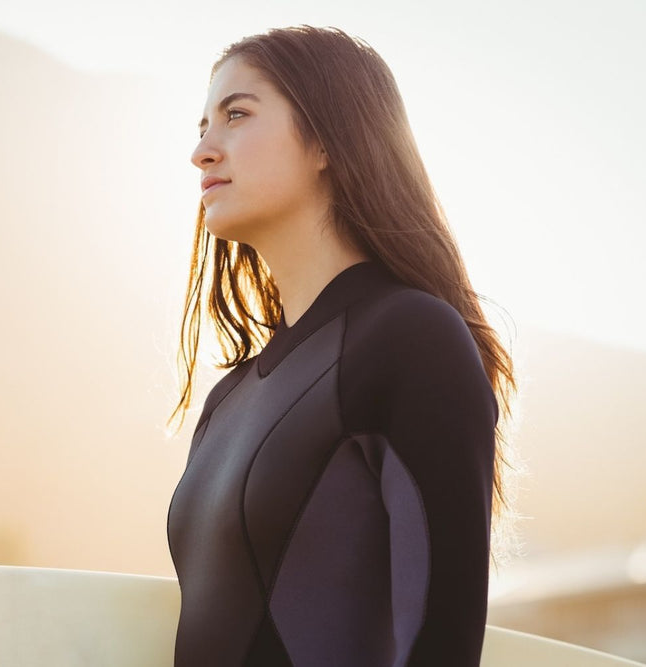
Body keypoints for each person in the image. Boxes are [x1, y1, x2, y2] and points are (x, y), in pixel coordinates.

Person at [165, 25, 519, 666]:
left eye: (236, 115)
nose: (202, 151)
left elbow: (443, 643)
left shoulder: (413, 340)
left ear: (328, 139)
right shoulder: (228, 398)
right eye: (201, 125)